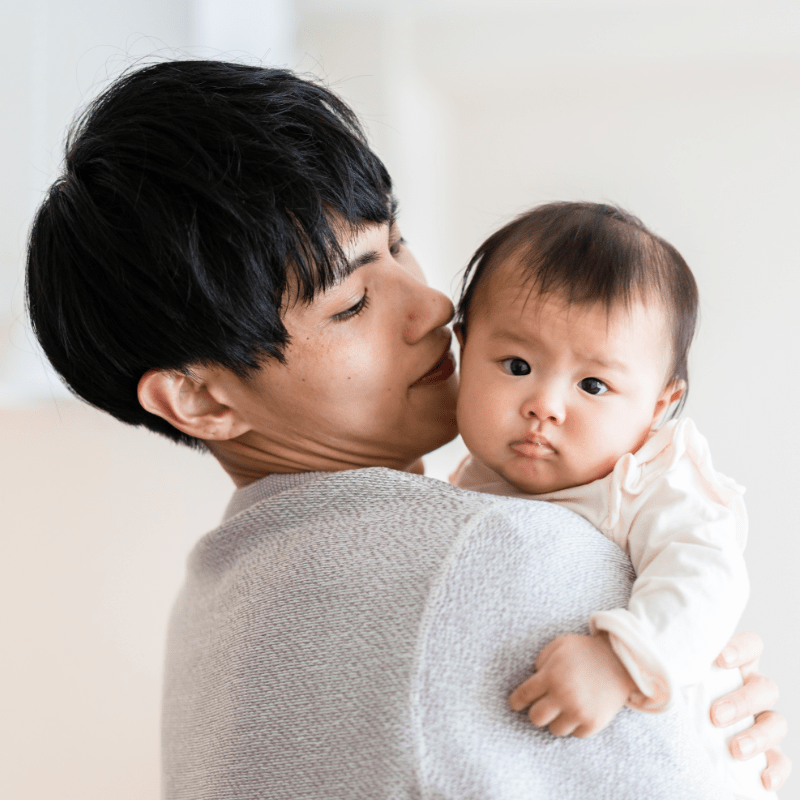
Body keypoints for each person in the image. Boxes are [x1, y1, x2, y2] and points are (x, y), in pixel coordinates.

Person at [25, 61, 789, 799]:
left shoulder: (212, 607)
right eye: (352, 303)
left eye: (396, 243)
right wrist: (707, 726)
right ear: (199, 400)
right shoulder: (502, 557)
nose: (433, 306)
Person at [450, 202, 771, 798]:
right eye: (516, 364)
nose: (544, 403)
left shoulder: (650, 479)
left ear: (656, 406)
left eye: (593, 385)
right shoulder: (468, 483)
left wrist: (619, 662)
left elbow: (707, 574)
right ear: (464, 351)